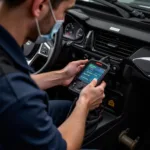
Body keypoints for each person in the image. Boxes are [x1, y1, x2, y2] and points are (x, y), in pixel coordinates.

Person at [0, 0, 106, 150]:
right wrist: (84, 102)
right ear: (40, 6)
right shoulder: (16, 92)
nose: (62, 20)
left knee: (66, 108)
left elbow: (15, 84)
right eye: (64, 11)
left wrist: (61, 75)